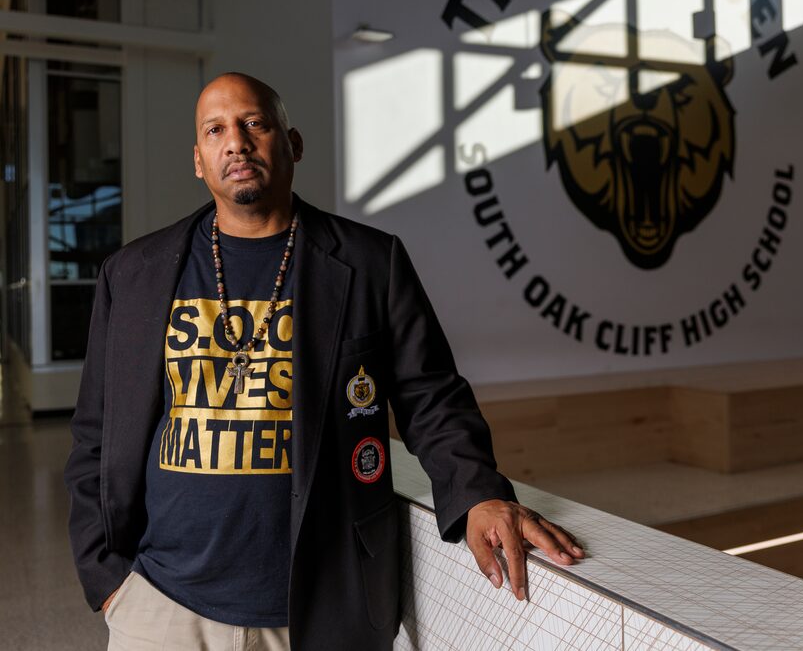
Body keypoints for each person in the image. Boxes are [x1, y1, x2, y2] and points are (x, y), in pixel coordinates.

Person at [65, 72, 584, 651]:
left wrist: (480, 493)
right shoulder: (133, 275)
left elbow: (431, 396)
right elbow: (95, 434)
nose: (235, 142)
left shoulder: (369, 263)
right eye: (215, 130)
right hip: (162, 605)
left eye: (254, 124)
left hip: (321, 608)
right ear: (198, 159)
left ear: (293, 144)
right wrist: (108, 580)